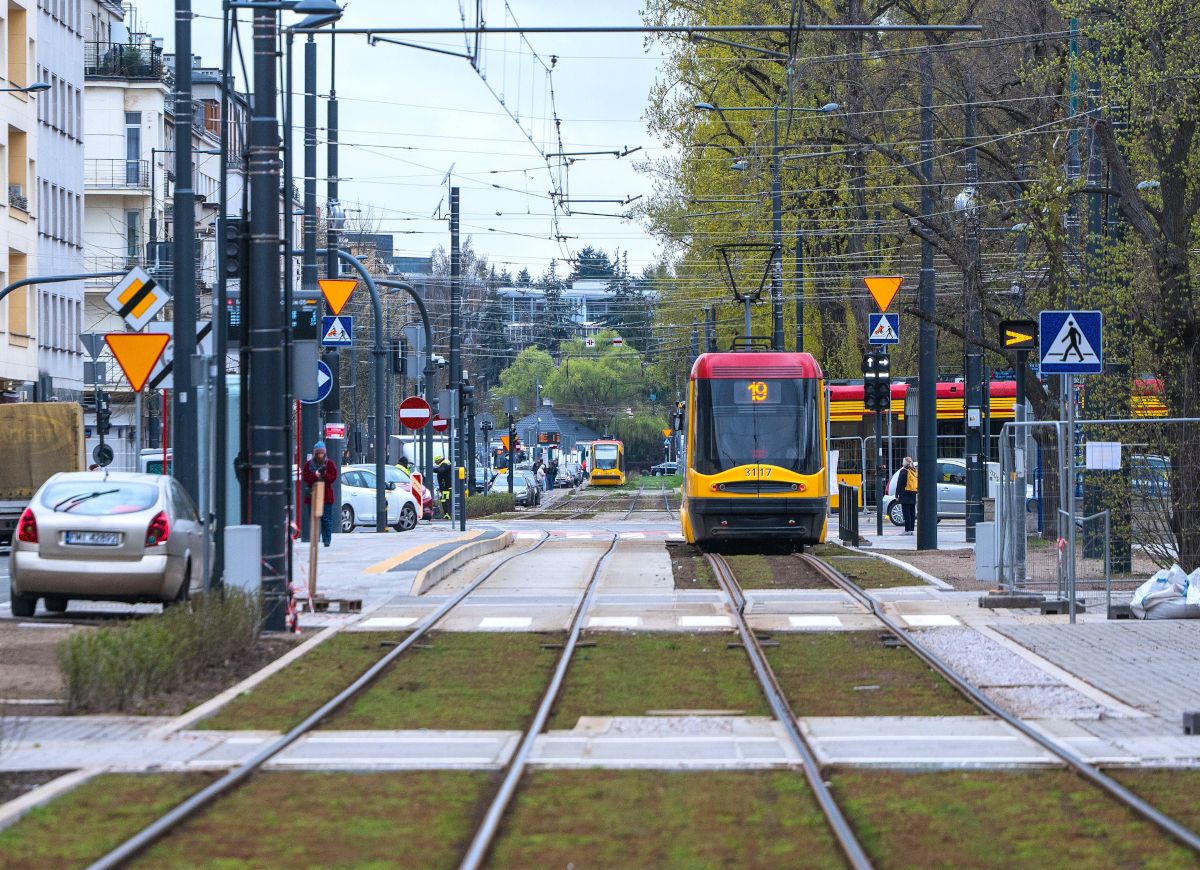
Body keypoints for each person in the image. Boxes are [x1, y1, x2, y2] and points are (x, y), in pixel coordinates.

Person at [302, 440, 339, 546]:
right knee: (313, 518)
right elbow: (306, 477)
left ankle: (326, 540)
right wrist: (315, 475)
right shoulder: (309, 465)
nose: (320, 455)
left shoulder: (329, 464)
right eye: (318, 453)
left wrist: (324, 475)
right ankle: (314, 539)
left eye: (322, 453)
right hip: (313, 495)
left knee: (326, 519)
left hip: (326, 496)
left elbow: (333, 477)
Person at [897, 456, 917, 534]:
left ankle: (907, 530)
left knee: (906, 513)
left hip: (904, 494)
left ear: (904, 462)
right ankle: (911, 530)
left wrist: (896, 494)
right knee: (912, 512)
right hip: (913, 493)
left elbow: (899, 484)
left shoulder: (903, 471)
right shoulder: (914, 470)